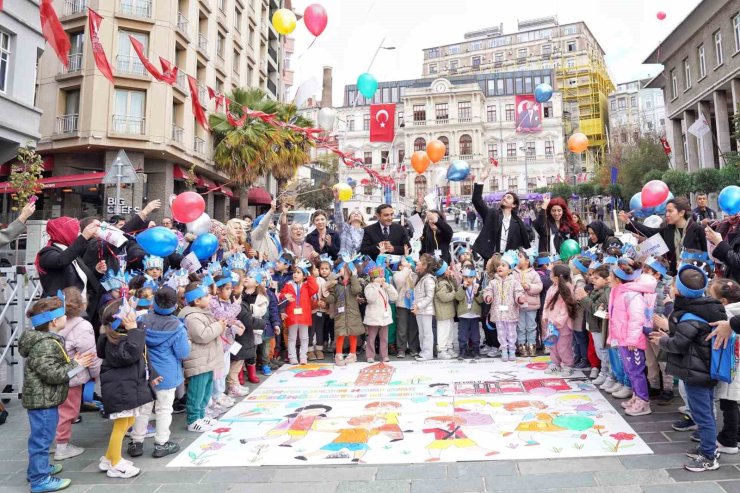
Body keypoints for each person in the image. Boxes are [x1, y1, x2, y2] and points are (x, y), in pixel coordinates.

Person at [649, 264, 726, 472]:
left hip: (696, 372)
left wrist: (664, 340)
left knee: (703, 414)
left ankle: (709, 456)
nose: (671, 287)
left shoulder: (689, 316)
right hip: (703, 369)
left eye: (674, 284)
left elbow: (678, 344)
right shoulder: (706, 306)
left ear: (680, 291)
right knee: (705, 410)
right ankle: (707, 448)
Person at [21, 296, 96, 493]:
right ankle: (39, 479)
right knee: (42, 440)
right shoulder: (46, 344)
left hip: (46, 399)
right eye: (63, 315)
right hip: (43, 401)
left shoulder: (46, 340)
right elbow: (55, 375)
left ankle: (38, 469)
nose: (66, 317)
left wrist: (74, 363)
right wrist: (77, 365)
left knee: (41, 438)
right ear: (54, 321)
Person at [128, 287, 190, 459]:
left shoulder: (141, 320)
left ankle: (136, 442)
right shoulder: (178, 326)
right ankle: (161, 444)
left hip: (144, 371)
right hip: (167, 373)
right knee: (164, 409)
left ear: (154, 302)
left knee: (142, 408)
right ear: (175, 305)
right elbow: (183, 353)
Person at [97, 300, 154, 479]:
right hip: (121, 390)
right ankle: (115, 464)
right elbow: (131, 353)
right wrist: (133, 330)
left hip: (127, 387)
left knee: (128, 421)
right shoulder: (115, 341)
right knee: (121, 426)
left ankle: (109, 457)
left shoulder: (120, 335)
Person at [53, 287, 101, 461]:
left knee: (55, 411)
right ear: (83, 304)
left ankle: (55, 442)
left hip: (52, 375)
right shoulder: (82, 326)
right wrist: (95, 374)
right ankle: (62, 447)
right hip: (72, 375)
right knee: (68, 412)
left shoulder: (52, 321)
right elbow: (90, 355)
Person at [608, 262, 656, 415]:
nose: (608, 279)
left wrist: (632, 341)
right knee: (630, 370)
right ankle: (637, 396)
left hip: (632, 341)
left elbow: (636, 319)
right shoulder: (619, 292)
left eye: (610, 276)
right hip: (623, 338)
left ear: (617, 279)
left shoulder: (631, 294)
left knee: (636, 371)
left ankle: (643, 402)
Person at [180, 282, 226, 433]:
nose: (210, 297)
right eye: (206, 295)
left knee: (206, 389)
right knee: (197, 390)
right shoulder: (192, 316)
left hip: (207, 359)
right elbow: (202, 336)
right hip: (198, 359)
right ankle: (193, 419)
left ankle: (201, 414)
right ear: (197, 300)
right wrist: (219, 326)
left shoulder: (204, 312)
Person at [619, 197, 707, 274]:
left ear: (681, 213)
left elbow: (706, 254)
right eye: (666, 211)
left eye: (670, 211)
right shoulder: (667, 230)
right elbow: (648, 231)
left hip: (694, 275)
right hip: (674, 275)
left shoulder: (697, 229)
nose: (667, 214)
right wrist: (628, 222)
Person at [36, 217, 105, 300]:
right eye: (77, 231)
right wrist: (83, 237)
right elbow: (61, 261)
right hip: (60, 308)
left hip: (77, 308)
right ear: (65, 232)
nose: (79, 234)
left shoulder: (72, 253)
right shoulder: (47, 253)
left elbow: (82, 282)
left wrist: (97, 272)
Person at [472, 166, 531, 262]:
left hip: (509, 261)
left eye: (508, 197)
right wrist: (482, 179)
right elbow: (477, 200)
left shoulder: (518, 223)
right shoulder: (492, 214)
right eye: (504, 196)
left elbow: (522, 244)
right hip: (492, 259)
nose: (504, 198)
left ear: (514, 205)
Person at [709, 278, 740, 455]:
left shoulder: (724, 315)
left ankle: (728, 440)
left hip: (731, 366)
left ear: (723, 301)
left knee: (728, 403)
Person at [483, 250, 524, 362]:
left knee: (511, 333)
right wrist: (488, 297)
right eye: (499, 265)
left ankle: (511, 350)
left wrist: (519, 298)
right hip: (498, 313)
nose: (500, 267)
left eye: (503, 265)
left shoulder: (514, 282)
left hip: (510, 313)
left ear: (510, 269)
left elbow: (518, 292)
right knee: (501, 334)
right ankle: (504, 350)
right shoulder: (493, 282)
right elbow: (488, 291)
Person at [324, 261, 364, 366]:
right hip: (340, 314)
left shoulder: (354, 282)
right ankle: (338, 354)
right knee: (340, 334)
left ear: (348, 270)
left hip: (352, 313)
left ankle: (352, 354)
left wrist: (354, 276)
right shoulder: (336, 284)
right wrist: (325, 294)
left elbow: (356, 290)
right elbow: (332, 298)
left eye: (341, 268)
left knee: (353, 333)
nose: (339, 270)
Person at [280, 260, 319, 365]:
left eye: (298, 272)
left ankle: (303, 356)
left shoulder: (307, 286)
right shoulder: (288, 285)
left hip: (304, 315)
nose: (295, 274)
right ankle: (292, 356)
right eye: (294, 272)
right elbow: (281, 296)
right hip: (292, 315)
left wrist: (309, 275)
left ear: (304, 275)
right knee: (292, 337)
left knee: (304, 337)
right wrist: (284, 297)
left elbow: (315, 289)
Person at [542, 264, 578, 376]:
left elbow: (566, 308)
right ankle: (555, 363)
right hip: (551, 323)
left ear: (557, 277)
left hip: (563, 325)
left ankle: (567, 365)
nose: (550, 274)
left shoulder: (567, 288)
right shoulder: (552, 287)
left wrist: (558, 321)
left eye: (551, 272)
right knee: (552, 345)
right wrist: (545, 316)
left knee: (563, 346)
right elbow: (546, 303)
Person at [363, 266, 399, 363]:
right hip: (373, 317)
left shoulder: (385, 287)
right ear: (372, 279)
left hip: (384, 317)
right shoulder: (369, 287)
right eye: (377, 277)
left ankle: (384, 355)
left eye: (381, 276)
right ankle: (370, 355)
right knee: (371, 338)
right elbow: (371, 298)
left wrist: (388, 287)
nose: (380, 278)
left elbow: (395, 297)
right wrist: (376, 286)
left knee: (384, 338)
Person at [515, 248, 542, 357]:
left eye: (520, 256)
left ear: (527, 260)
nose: (518, 258)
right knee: (520, 327)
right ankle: (521, 345)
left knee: (531, 326)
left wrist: (529, 286)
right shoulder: (514, 273)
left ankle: (532, 345)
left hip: (531, 305)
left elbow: (539, 286)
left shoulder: (534, 273)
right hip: (519, 305)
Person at [412, 254, 439, 361]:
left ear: (424, 265)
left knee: (427, 332)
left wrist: (418, 306)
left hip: (426, 311)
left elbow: (429, 297)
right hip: (420, 310)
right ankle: (424, 352)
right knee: (422, 332)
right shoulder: (421, 277)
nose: (416, 263)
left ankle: (428, 353)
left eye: (419, 261)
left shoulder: (428, 279)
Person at [455, 268, 484, 359]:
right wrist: (463, 288)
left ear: (474, 277)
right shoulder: (460, 286)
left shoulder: (477, 286)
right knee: (462, 335)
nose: (468, 279)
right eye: (466, 277)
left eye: (471, 277)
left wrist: (476, 294)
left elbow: (480, 300)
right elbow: (458, 298)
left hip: (474, 315)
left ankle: (476, 351)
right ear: (463, 277)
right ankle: (462, 351)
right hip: (463, 315)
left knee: (475, 335)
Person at [433, 262, 457, 359]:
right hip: (443, 312)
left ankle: (448, 347)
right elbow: (443, 297)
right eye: (447, 269)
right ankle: (441, 350)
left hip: (449, 311)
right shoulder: (441, 283)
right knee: (443, 331)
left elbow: (455, 286)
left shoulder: (447, 280)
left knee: (449, 330)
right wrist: (454, 294)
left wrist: (452, 278)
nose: (449, 270)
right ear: (443, 272)